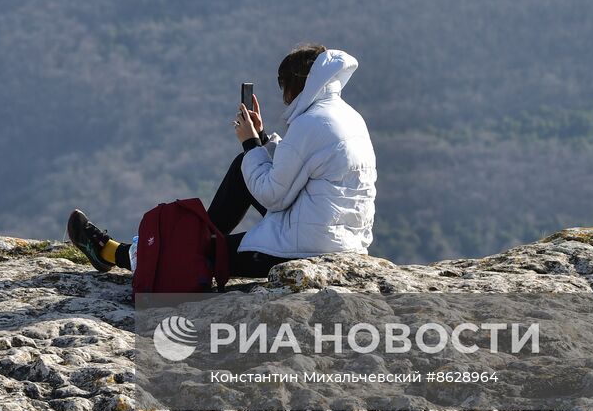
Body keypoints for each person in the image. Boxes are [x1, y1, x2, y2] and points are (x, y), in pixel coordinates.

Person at [67, 44, 377, 278]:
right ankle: (194, 235)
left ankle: (111, 252)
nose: (284, 96)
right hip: (341, 239)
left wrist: (249, 143)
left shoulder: (311, 123)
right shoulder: (346, 117)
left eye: (284, 87)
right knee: (243, 170)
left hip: (306, 248)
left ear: (297, 85)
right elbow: (298, 167)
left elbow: (274, 195)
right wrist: (261, 138)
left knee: (198, 253)